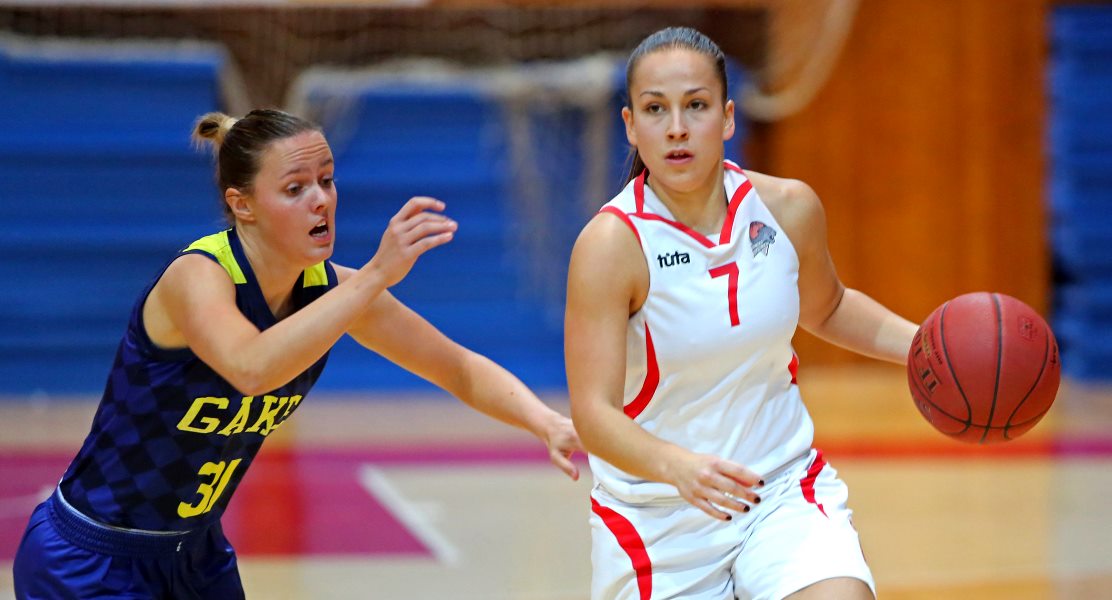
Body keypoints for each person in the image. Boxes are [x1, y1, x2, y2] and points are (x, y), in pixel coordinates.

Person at [13, 108, 582, 599]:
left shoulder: (333, 290)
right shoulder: (198, 276)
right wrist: (376, 275)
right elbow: (250, 368)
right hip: (93, 556)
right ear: (243, 205)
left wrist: (545, 422)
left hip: (195, 555)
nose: (321, 201)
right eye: (295, 189)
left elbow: (455, 366)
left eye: (327, 181)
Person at [565, 27, 918, 600]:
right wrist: (676, 466)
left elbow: (828, 307)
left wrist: (927, 348)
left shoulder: (788, 208)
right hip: (659, 517)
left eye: (696, 105)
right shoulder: (611, 246)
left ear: (727, 117)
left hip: (779, 489)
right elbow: (593, 413)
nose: (676, 127)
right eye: (655, 109)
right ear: (630, 125)